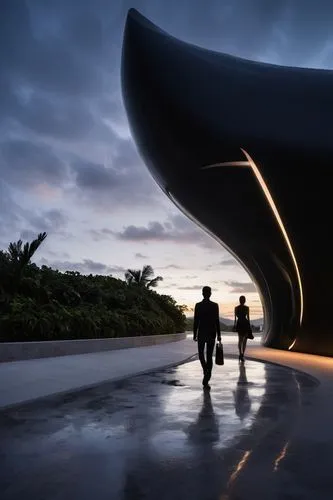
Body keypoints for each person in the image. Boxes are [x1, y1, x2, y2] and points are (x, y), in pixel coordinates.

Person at [193, 286, 221, 389]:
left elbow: (196, 321)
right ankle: (207, 374)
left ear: (202, 293)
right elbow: (216, 321)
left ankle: (206, 372)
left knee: (201, 355)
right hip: (211, 333)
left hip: (202, 333)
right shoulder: (214, 305)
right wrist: (219, 335)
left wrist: (194, 333)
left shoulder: (199, 305)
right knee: (208, 356)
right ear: (210, 294)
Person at [233, 295, 251, 362]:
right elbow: (248, 318)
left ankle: (240, 354)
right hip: (245, 324)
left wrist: (234, 325)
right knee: (244, 341)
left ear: (239, 300)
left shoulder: (236, 308)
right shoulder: (247, 308)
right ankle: (242, 354)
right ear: (244, 300)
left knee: (240, 340)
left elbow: (235, 318)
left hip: (239, 324)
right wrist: (249, 327)